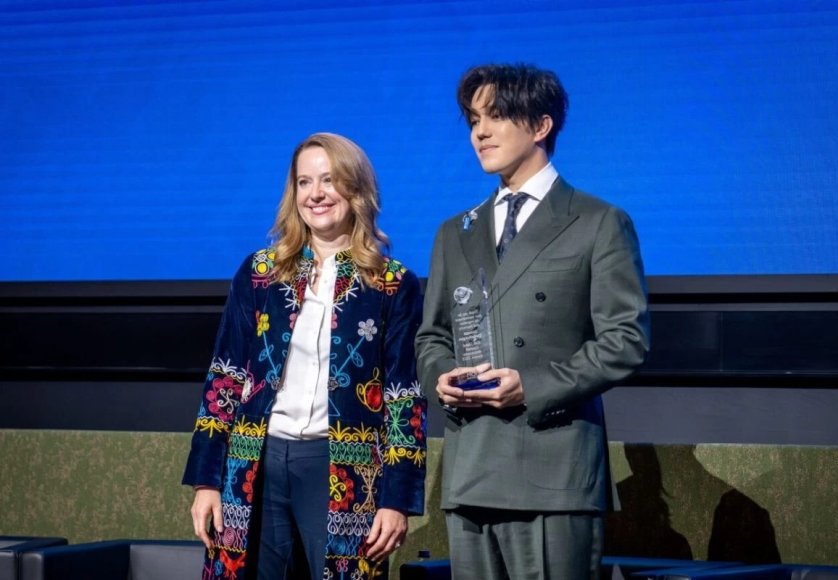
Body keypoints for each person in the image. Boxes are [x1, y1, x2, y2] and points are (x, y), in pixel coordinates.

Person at [415, 63, 650, 579]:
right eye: (473, 120)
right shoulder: (455, 232)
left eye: (495, 116)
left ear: (541, 125)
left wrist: (531, 387)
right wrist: (442, 378)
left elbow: (625, 340)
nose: (480, 132)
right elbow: (432, 335)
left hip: (553, 468)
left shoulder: (597, 222)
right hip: (471, 467)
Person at [183, 132, 426, 580]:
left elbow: (404, 399)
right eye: (304, 182)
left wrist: (397, 500)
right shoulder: (260, 273)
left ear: (356, 188)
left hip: (345, 470)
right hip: (254, 462)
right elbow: (224, 379)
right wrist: (205, 481)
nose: (315, 194)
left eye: (329, 180)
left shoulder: (392, 284)